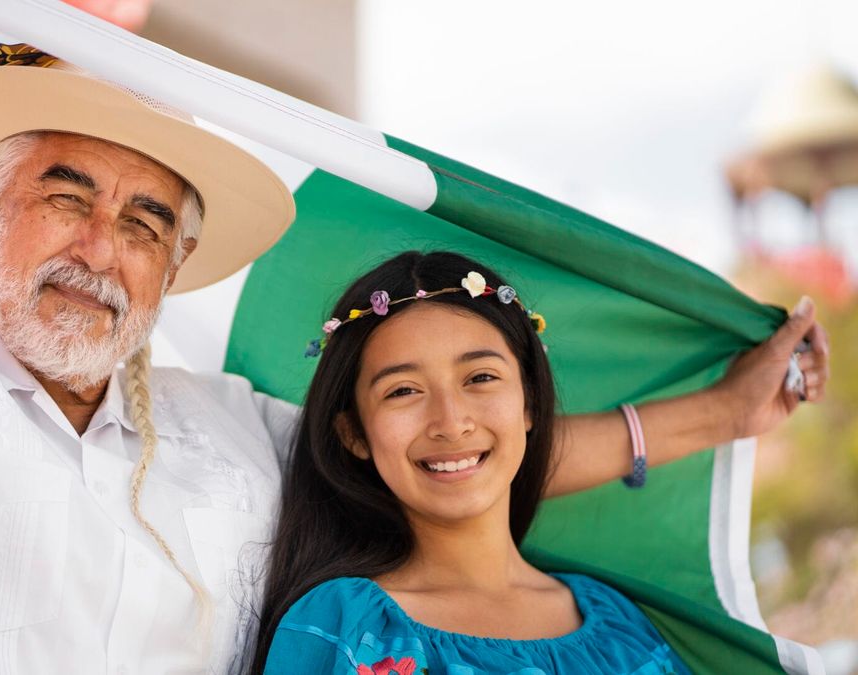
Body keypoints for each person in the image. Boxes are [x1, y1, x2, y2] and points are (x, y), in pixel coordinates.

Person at [0, 49, 829, 673]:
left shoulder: (234, 431)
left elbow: (453, 455)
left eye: (145, 224)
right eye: (66, 196)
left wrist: (717, 416)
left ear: (175, 270)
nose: (100, 248)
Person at [254, 251, 693, 674]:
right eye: (403, 390)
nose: (450, 422)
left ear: (530, 403)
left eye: (480, 378)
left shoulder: (617, 623)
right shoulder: (344, 627)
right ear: (355, 434)